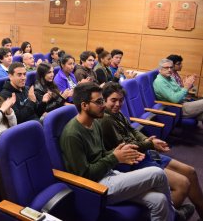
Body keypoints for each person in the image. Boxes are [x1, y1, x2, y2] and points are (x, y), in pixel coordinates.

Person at [60, 82, 189, 221]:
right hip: (96, 187)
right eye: (99, 102)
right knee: (157, 173)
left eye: (103, 100)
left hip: (109, 174)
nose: (103, 105)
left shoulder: (95, 123)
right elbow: (84, 175)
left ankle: (171, 215)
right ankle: (175, 216)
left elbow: (102, 155)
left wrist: (119, 152)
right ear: (84, 105)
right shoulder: (72, 134)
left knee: (160, 200)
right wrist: (115, 158)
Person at [101, 82, 203, 219]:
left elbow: (133, 130)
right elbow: (125, 146)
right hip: (134, 160)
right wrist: (149, 144)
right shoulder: (105, 119)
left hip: (145, 152)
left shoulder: (117, 113)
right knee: (182, 184)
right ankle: (172, 215)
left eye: (120, 100)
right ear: (104, 100)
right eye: (113, 100)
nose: (118, 104)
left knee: (190, 172)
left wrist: (147, 141)